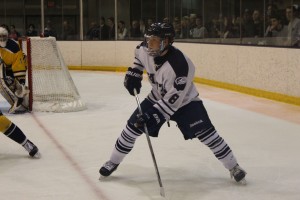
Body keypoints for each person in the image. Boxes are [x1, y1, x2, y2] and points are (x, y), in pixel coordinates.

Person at [99, 22, 247, 183]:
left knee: (208, 135)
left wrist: (152, 116)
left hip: (185, 103)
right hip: (157, 97)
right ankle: (113, 161)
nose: (150, 44)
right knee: (131, 129)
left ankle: (234, 166)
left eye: (155, 41)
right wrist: (134, 72)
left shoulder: (180, 65)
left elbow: (172, 102)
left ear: (167, 41)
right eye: (148, 39)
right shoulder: (143, 48)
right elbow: (138, 58)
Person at [0, 26, 29, 114]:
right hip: (4, 70)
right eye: (0, 36)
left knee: (3, 83)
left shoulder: (13, 46)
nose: (2, 38)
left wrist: (21, 81)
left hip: (13, 72)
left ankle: (20, 103)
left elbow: (19, 64)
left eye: (4, 36)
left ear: (8, 36)